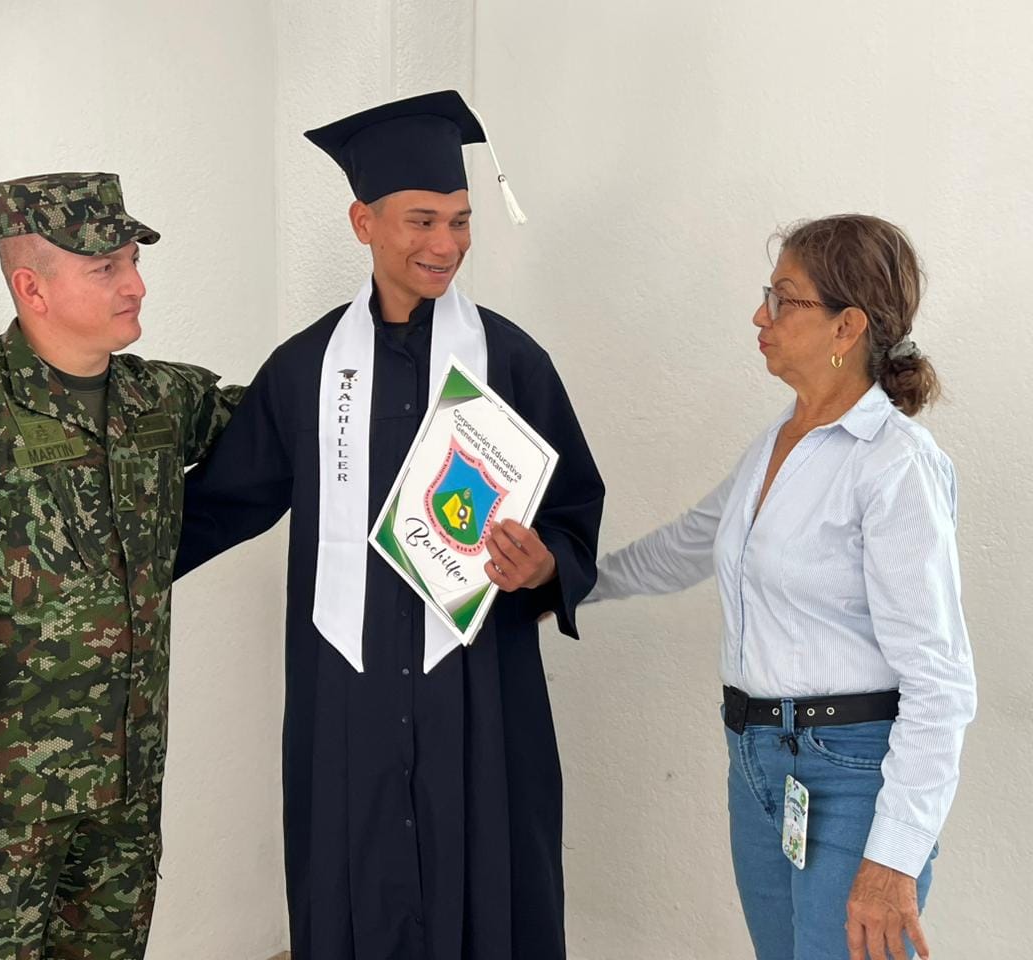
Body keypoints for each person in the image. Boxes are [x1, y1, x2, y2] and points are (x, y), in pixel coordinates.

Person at [173, 90, 605, 960]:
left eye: (460, 220)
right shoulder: (306, 371)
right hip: (352, 690)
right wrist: (94, 570)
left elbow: (573, 513)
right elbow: (222, 503)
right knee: (354, 885)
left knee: (488, 886)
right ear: (362, 222)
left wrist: (544, 565)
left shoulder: (512, 362)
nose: (445, 245)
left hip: (478, 685)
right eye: (421, 220)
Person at [0, 172, 241, 959]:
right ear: (33, 287)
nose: (136, 285)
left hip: (122, 799)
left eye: (132, 261)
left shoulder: (155, 403)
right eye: (107, 269)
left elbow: (282, 425)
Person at [587, 214, 976, 960]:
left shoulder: (894, 465)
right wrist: (562, 585)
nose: (760, 316)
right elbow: (685, 547)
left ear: (847, 325)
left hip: (853, 773)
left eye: (784, 299)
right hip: (757, 765)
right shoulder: (777, 442)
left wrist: (893, 857)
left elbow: (941, 680)